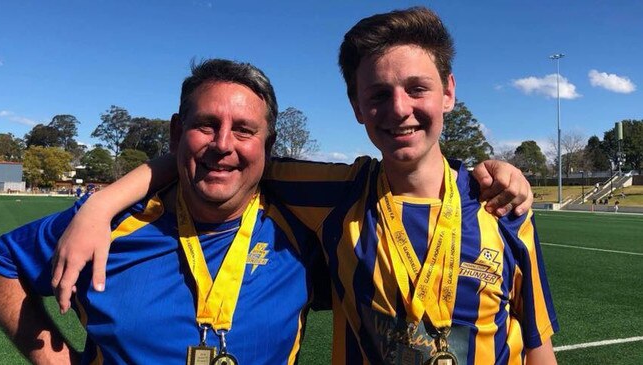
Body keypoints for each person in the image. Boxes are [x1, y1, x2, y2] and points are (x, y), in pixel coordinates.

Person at [51, 8, 550, 365]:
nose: (399, 108)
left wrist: (505, 171)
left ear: (449, 93)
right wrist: (104, 204)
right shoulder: (333, 193)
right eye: (377, 94)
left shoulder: (503, 204)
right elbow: (219, 155)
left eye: (417, 88)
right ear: (357, 108)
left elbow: (536, 344)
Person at [0, 59, 326, 364]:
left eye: (244, 130)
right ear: (176, 133)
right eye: (206, 125)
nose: (223, 144)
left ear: (268, 145)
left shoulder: (305, 229)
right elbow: (2, 262)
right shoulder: (106, 223)